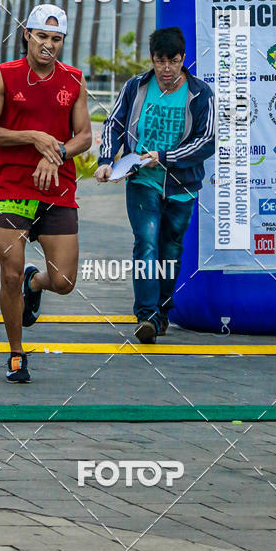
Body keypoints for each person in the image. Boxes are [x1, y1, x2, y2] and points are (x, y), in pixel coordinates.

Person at [0, 4, 92, 382]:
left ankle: (34, 282)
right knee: (9, 274)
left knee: (64, 282)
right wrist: (33, 137)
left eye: (56, 39)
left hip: (57, 188)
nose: (49, 45)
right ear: (27, 34)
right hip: (11, 189)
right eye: (42, 36)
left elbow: (85, 137)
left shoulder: (74, 80)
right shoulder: (4, 76)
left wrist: (55, 153)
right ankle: (16, 354)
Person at [95, 27, 215, 344]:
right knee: (146, 243)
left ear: (183, 59)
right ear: (152, 59)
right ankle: (146, 314)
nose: (166, 69)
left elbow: (206, 142)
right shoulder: (136, 87)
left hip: (182, 187)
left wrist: (163, 157)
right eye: (160, 60)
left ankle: (162, 310)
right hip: (142, 182)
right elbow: (114, 124)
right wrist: (106, 160)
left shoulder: (201, 94)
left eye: (172, 61)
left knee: (170, 250)